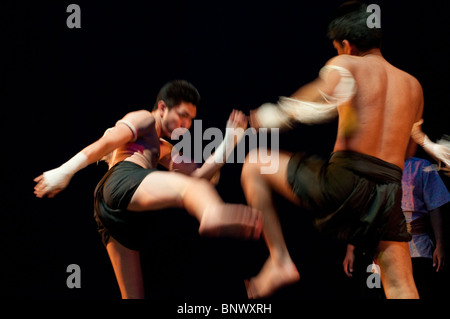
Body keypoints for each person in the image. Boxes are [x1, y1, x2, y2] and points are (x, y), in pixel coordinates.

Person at [240, 1, 426, 299]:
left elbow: (309, 101)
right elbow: (408, 153)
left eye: (338, 47)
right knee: (402, 286)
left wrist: (264, 117)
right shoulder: (413, 86)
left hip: (344, 181)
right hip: (389, 193)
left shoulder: (345, 64)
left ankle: (280, 261)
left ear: (347, 45)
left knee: (254, 164)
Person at [34, 80, 263, 299]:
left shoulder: (161, 147)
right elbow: (105, 143)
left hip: (109, 211)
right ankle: (213, 213)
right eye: (183, 115)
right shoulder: (143, 118)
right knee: (191, 192)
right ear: (162, 107)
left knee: (133, 296)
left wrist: (231, 140)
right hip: (122, 180)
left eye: (191, 119)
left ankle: (211, 211)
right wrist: (64, 171)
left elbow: (200, 177)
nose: (187, 124)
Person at [342, 157, 449, 299]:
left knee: (415, 290)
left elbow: (435, 206)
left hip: (416, 248)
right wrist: (351, 249)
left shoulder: (421, 166)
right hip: (379, 250)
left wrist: (440, 244)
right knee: (377, 292)